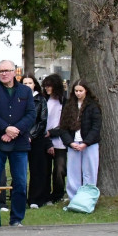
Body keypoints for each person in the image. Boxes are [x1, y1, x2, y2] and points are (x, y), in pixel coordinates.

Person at [0, 59, 35, 227]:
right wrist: (5, 129)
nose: (3, 73)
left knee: (20, 182)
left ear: (14, 71)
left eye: (7, 70)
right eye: (1, 71)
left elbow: (31, 114)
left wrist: (14, 131)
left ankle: (16, 218)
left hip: (19, 143)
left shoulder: (25, 91)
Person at [59, 80, 101, 201]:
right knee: (73, 173)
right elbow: (63, 127)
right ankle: (73, 198)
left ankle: (88, 198)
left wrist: (86, 143)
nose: (78, 93)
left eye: (80, 91)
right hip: (73, 144)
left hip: (89, 144)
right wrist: (70, 143)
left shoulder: (93, 106)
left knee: (90, 172)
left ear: (86, 91)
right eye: (76, 91)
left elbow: (96, 127)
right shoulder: (69, 106)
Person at [23, 75, 51, 208]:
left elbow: (42, 120)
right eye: (25, 83)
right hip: (20, 137)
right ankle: (20, 198)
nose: (27, 85)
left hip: (37, 138)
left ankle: (35, 199)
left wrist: (31, 135)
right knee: (20, 170)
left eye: (30, 83)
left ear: (34, 85)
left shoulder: (41, 99)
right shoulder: (18, 98)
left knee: (37, 169)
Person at [42, 74, 67, 204]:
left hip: (60, 141)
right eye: (45, 86)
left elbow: (65, 123)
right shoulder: (44, 100)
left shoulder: (64, 101)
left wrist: (51, 132)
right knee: (45, 170)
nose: (47, 88)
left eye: (49, 85)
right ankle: (45, 195)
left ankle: (58, 195)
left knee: (59, 170)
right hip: (45, 140)